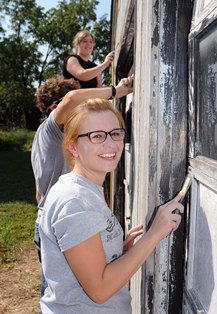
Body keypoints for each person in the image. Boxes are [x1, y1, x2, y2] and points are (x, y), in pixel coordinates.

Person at [39, 98, 184, 313]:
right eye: (96, 136)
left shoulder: (86, 189)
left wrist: (115, 252)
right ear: (73, 147)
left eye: (115, 133)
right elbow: (100, 290)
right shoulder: (75, 200)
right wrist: (154, 234)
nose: (111, 144)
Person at [31, 74, 134, 301]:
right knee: (65, 294)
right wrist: (117, 91)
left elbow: (39, 190)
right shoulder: (52, 129)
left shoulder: (42, 136)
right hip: (66, 219)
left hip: (49, 217)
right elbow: (72, 98)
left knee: (58, 284)